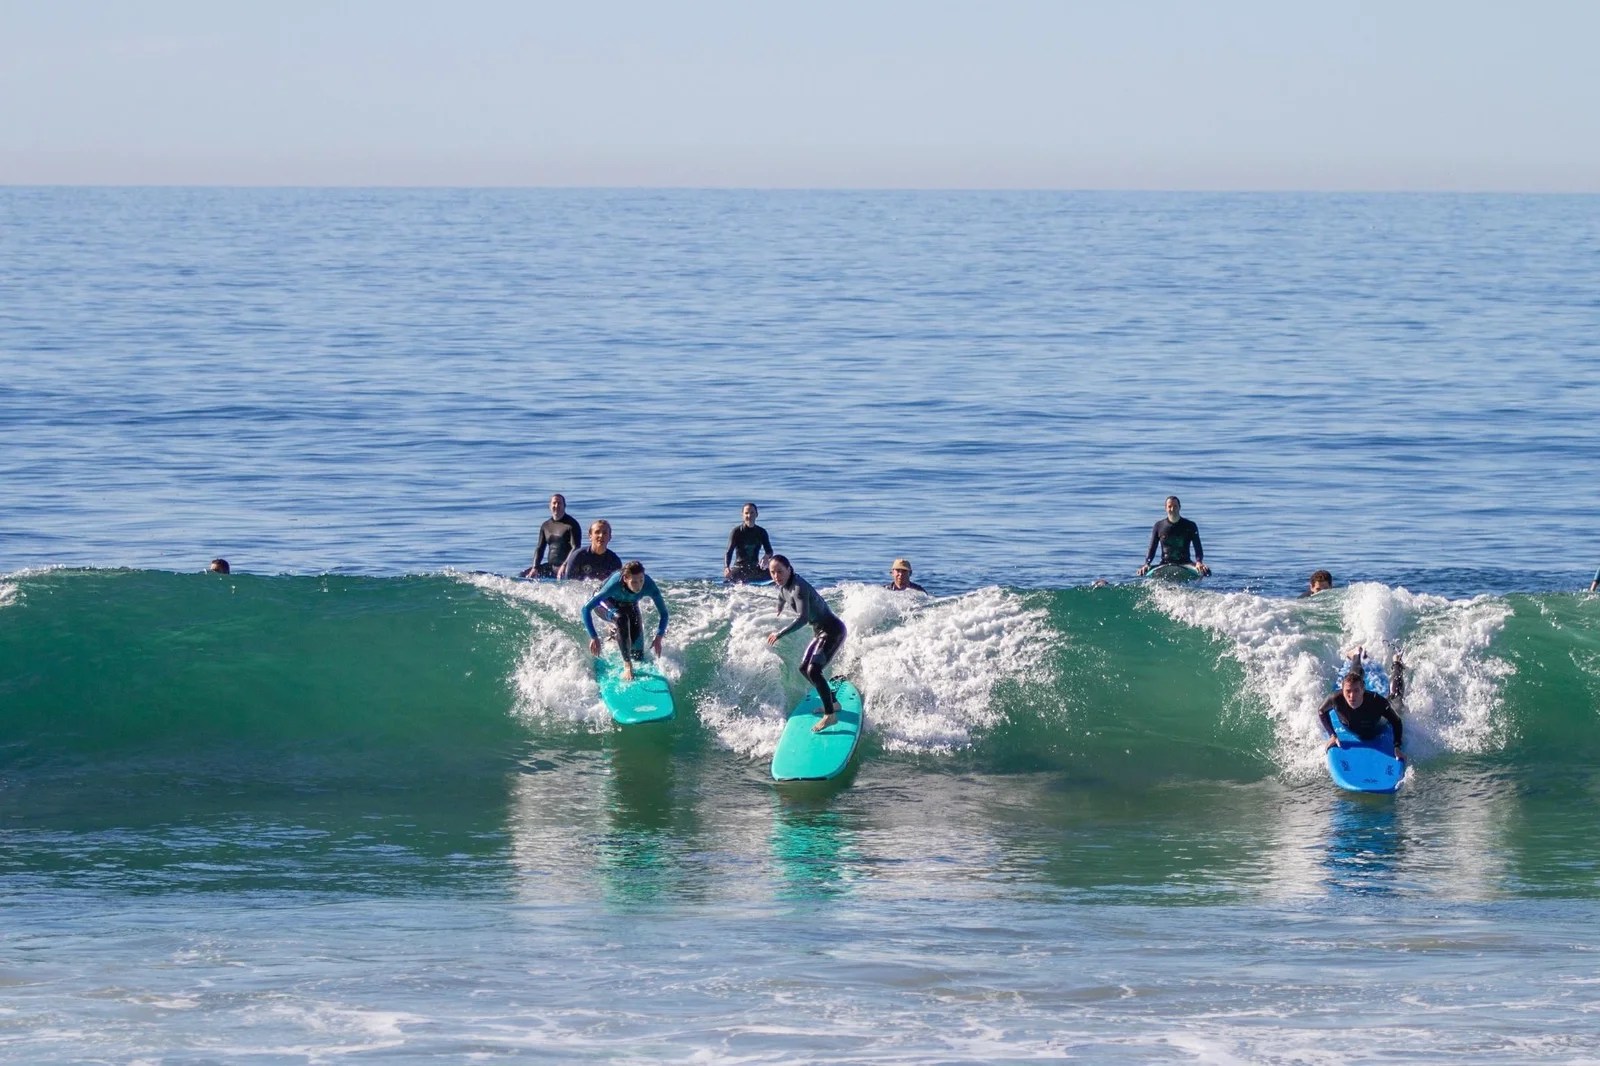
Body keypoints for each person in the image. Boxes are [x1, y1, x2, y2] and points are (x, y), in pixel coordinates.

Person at [765, 555, 848, 732]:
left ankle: (830, 715)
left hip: (832, 630)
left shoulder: (799, 587)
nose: (776, 576)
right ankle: (833, 703)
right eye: (772, 572)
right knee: (804, 668)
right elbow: (782, 595)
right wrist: (779, 606)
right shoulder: (784, 586)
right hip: (820, 632)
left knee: (814, 670)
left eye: (780, 571)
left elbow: (803, 619)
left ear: (789, 569)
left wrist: (780, 633)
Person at [582, 560, 669, 682]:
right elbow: (586, 609)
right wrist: (594, 637)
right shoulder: (613, 586)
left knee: (638, 655)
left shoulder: (649, 586)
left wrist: (659, 636)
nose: (639, 586)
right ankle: (627, 665)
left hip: (629, 604)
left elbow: (664, 614)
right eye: (634, 581)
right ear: (625, 579)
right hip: (604, 603)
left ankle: (614, 634)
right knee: (621, 619)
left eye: (641, 580)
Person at [1317, 652, 1405, 761]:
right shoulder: (1335, 699)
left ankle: (1397, 663)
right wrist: (1332, 735)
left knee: (1396, 698)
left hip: (1377, 727)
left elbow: (1396, 721)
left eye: (1356, 691)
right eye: (1348, 691)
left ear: (1363, 689)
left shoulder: (1376, 701)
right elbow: (1321, 711)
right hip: (1353, 729)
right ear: (1342, 690)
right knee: (1354, 677)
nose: (1352, 696)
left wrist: (1397, 746)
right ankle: (1356, 655)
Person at [1138, 495, 1210, 577]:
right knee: (1141, 573)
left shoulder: (1190, 525)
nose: (1172, 509)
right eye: (1169, 507)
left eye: (1175, 506)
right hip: (1165, 563)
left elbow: (1198, 547)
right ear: (1165, 508)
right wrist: (1147, 563)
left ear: (1179, 507)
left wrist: (1199, 562)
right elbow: (1152, 548)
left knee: (1207, 572)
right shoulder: (1159, 526)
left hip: (1185, 563)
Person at [522, 494, 582, 578]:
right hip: (551, 567)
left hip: (567, 567)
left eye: (559, 503)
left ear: (564, 506)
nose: (556, 505)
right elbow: (540, 548)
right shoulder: (545, 526)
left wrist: (564, 565)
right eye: (554, 503)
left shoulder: (572, 525)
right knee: (523, 576)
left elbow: (575, 547)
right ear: (549, 506)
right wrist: (535, 567)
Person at [724, 502, 774, 583]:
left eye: (752, 513)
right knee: (727, 583)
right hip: (739, 568)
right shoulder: (736, 532)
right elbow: (729, 552)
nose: (749, 516)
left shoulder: (761, 532)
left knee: (776, 577)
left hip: (755, 568)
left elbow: (769, 551)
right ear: (742, 515)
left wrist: (766, 556)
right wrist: (727, 567)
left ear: (757, 514)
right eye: (746, 513)